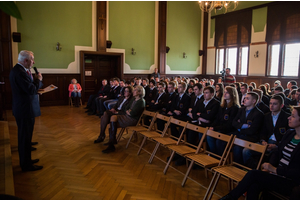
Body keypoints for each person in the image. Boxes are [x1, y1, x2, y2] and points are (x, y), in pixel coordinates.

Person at [220, 106, 300, 200]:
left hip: (291, 180)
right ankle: (230, 197)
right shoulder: (290, 134)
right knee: (254, 184)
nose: (289, 118)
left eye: (293, 116)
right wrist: (270, 165)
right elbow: (277, 152)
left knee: (253, 174)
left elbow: (297, 172)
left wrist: (274, 169)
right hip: (277, 173)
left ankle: (231, 197)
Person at [9, 50, 43, 171]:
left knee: (26, 136)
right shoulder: (19, 72)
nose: (33, 62)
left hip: (24, 109)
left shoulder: (20, 70)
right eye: (32, 60)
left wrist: (34, 81)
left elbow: (28, 87)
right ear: (26, 60)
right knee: (24, 138)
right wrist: (38, 79)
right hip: (25, 109)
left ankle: (27, 160)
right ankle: (26, 164)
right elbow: (31, 90)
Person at [102, 85, 146, 153]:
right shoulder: (134, 99)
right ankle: (112, 142)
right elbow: (126, 108)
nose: (133, 91)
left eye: (135, 90)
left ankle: (112, 143)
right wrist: (128, 111)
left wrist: (129, 111)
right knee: (112, 120)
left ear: (140, 92)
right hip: (127, 116)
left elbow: (133, 113)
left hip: (132, 120)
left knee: (112, 118)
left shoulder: (141, 101)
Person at [231, 92, 264, 164]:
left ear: (253, 101)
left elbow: (252, 130)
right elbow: (234, 122)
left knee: (237, 146)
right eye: (245, 98)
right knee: (224, 140)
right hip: (240, 134)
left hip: (250, 137)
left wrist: (239, 127)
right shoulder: (241, 110)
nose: (244, 100)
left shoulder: (258, 113)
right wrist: (244, 126)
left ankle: (238, 167)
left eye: (247, 98)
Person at [207, 86, 240, 156]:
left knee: (219, 140)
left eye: (227, 93)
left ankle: (219, 157)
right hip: (220, 128)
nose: (224, 94)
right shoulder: (222, 106)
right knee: (209, 134)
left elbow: (230, 125)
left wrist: (215, 128)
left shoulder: (234, 108)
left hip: (228, 131)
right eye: (224, 92)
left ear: (232, 95)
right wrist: (212, 126)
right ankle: (214, 154)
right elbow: (217, 119)